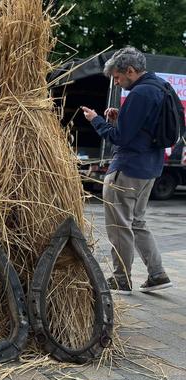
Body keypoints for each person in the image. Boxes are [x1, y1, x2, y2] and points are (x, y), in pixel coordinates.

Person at [82, 47, 172, 294]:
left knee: (120, 225)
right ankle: (157, 273)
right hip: (150, 167)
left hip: (128, 168)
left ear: (130, 71)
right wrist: (119, 117)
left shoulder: (140, 94)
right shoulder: (160, 87)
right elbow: (144, 129)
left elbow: (120, 138)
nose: (117, 83)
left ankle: (121, 278)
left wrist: (96, 120)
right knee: (137, 222)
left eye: (118, 78)